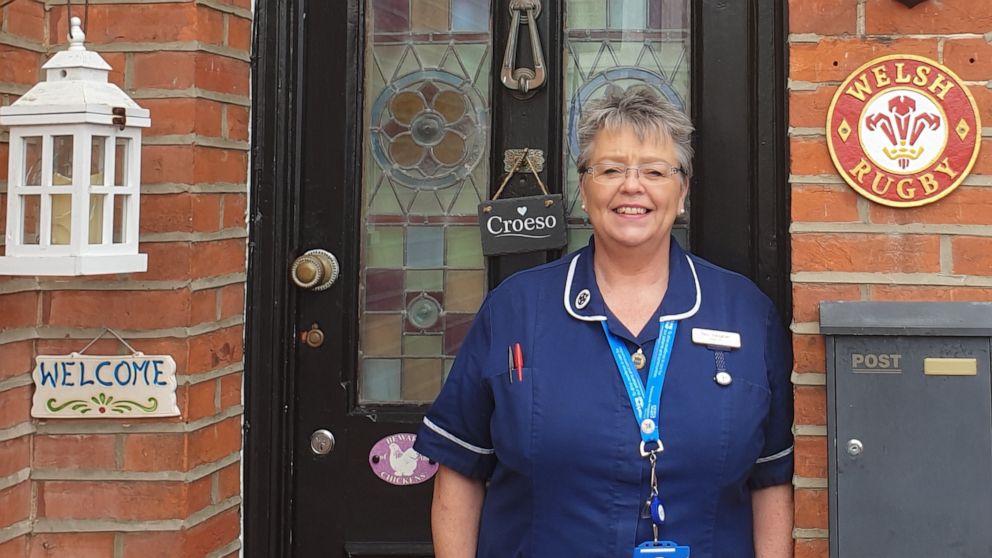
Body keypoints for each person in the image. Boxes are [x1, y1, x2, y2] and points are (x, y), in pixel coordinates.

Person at [413, 86, 794, 558]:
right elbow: (460, 467)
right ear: (584, 185)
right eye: (610, 169)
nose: (632, 187)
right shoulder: (516, 308)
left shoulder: (745, 312)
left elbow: (771, 479)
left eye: (655, 171)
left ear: (683, 191)